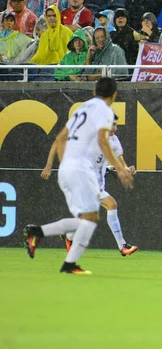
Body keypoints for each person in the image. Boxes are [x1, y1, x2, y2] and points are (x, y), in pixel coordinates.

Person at [24, 77, 133, 275]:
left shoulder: (82, 110)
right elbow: (102, 139)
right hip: (81, 171)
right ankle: (42, 236)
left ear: (93, 92)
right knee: (93, 216)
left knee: (88, 219)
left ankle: (58, 252)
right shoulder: (104, 111)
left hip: (69, 169)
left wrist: (60, 164)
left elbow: (59, 139)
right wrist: (120, 168)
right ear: (114, 95)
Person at [40, 113, 138, 255]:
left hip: (97, 183)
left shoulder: (114, 141)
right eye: (112, 124)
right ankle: (122, 246)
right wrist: (49, 165)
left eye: (116, 124)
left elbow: (120, 162)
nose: (115, 127)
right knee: (111, 204)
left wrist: (127, 169)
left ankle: (68, 235)